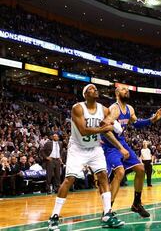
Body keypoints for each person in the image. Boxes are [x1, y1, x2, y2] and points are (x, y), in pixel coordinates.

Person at [48, 84, 125, 231]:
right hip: (77, 148)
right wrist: (105, 128)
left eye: (96, 89)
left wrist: (115, 127)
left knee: (103, 176)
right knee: (69, 179)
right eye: (91, 89)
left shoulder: (103, 109)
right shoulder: (77, 108)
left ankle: (107, 214)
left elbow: (111, 120)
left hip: (95, 148)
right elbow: (83, 131)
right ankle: (54, 217)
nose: (95, 90)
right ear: (85, 94)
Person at [102, 86, 161, 217]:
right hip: (110, 146)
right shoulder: (114, 109)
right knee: (119, 173)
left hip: (122, 143)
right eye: (123, 90)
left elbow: (136, 124)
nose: (126, 91)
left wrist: (152, 119)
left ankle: (136, 204)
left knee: (141, 169)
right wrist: (120, 147)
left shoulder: (130, 109)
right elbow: (104, 128)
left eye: (127, 90)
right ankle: (107, 211)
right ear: (116, 93)